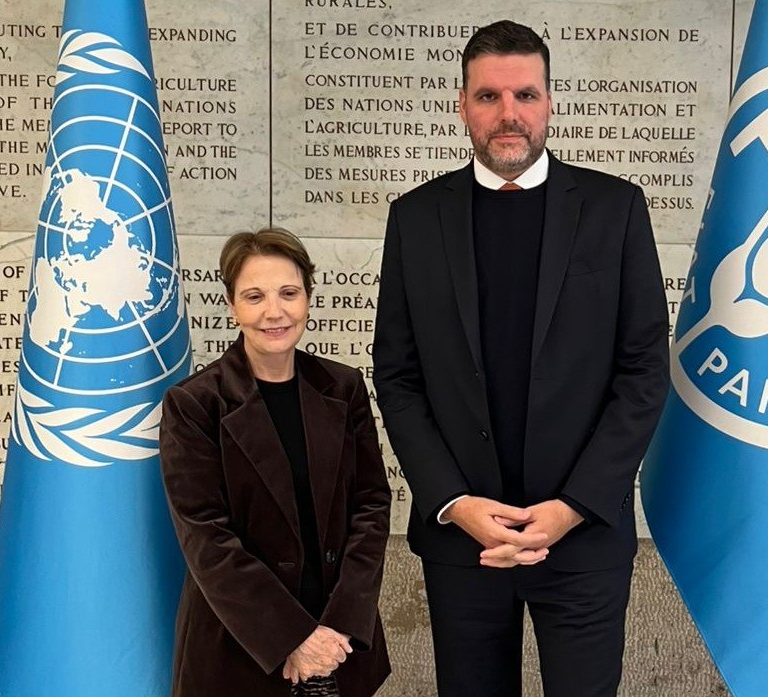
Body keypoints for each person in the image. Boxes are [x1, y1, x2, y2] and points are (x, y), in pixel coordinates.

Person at [372, 19, 670, 697]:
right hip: (463, 541)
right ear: (462, 104)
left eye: (524, 95)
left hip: (582, 535)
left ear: (549, 102)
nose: (508, 114)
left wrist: (572, 504)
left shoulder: (613, 208)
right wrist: (451, 500)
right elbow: (396, 373)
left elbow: (644, 369)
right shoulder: (415, 217)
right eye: (488, 97)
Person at [161, 228, 391, 697]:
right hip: (240, 646)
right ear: (232, 306)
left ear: (307, 298)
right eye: (254, 296)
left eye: (289, 293)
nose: (274, 311)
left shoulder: (342, 388)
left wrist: (341, 626)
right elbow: (205, 534)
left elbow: (371, 505)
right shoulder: (194, 404)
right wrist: (291, 638)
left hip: (338, 642)